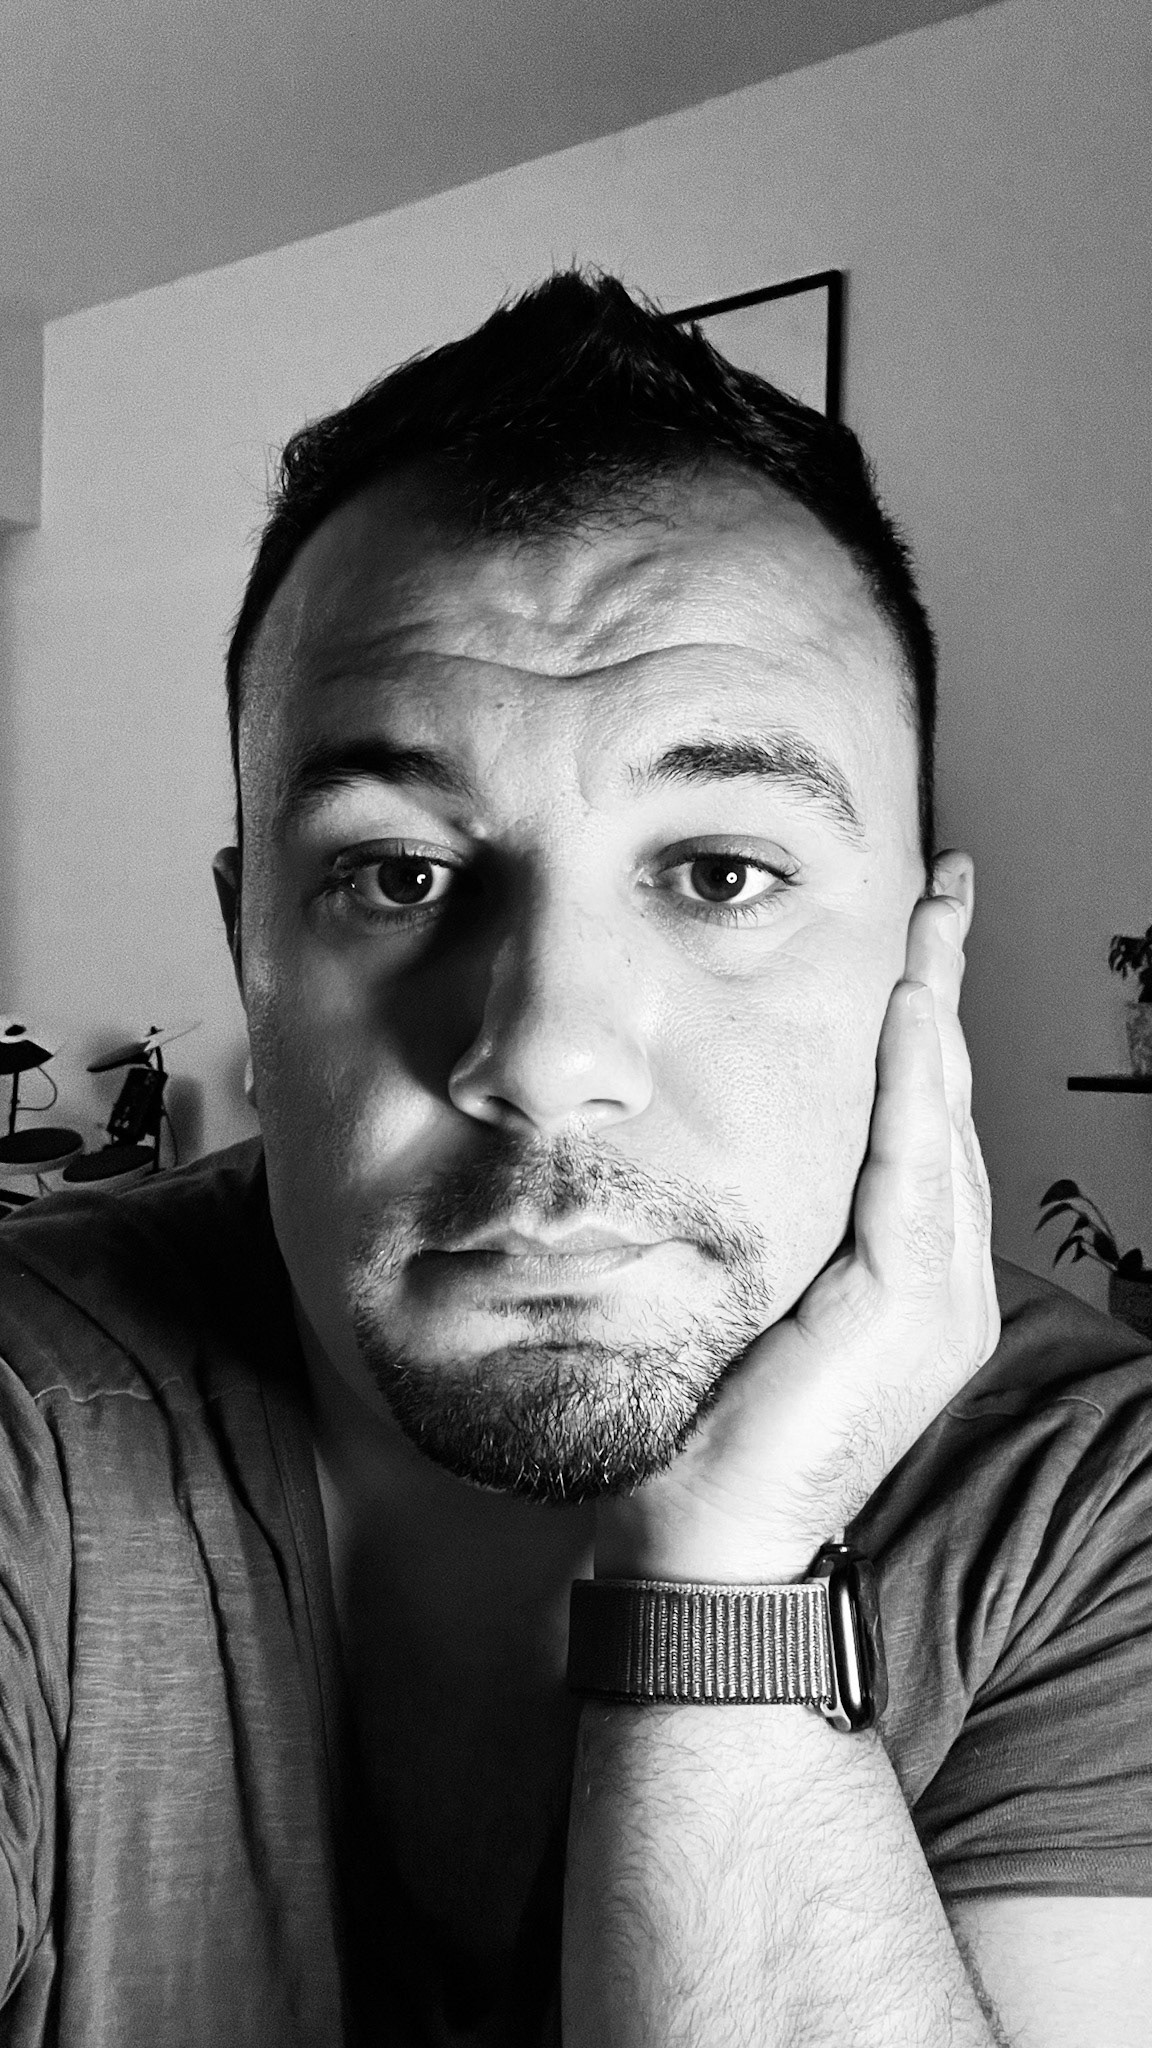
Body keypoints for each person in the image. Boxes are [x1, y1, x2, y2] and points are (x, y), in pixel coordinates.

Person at [0, 270, 1149, 2048]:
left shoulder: (1091, 1507)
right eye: (397, 874)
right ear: (251, 947)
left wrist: (727, 1583)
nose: (542, 1058)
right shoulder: (28, 1403)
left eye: (719, 874)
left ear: (921, 960)